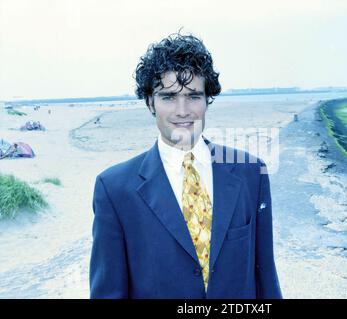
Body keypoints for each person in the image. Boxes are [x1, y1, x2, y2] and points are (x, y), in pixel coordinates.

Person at [89, 32, 282, 299]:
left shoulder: (251, 173)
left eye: (193, 96)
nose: (183, 110)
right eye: (168, 97)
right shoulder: (114, 189)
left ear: (207, 100)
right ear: (150, 102)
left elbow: (266, 279)